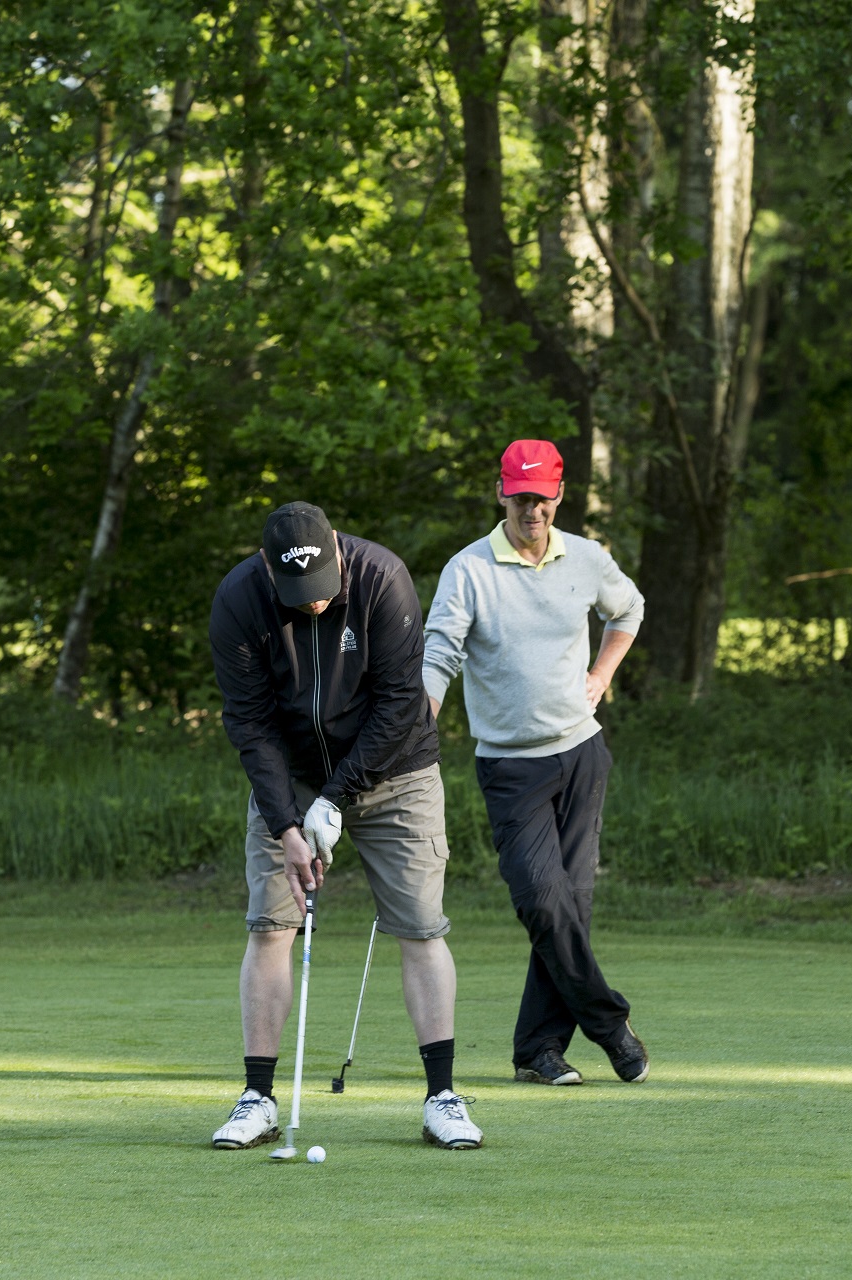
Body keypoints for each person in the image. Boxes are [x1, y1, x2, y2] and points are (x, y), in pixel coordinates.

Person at [206, 501, 481, 1151]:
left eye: (323, 590)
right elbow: (251, 725)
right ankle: (257, 1098)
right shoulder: (240, 600)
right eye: (298, 596)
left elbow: (401, 705)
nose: (315, 607)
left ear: (335, 547)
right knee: (271, 926)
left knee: (419, 926)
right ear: (271, 573)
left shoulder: (382, 578)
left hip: (395, 770)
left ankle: (442, 1095)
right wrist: (288, 825)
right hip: (291, 776)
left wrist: (336, 798)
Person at [422, 440, 649, 1088]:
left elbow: (627, 608)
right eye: (522, 499)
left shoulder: (585, 558)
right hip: (512, 767)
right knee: (545, 904)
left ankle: (538, 1052)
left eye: (543, 500)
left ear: (559, 495)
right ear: (502, 495)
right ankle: (610, 1026)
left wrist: (602, 673)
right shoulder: (468, 571)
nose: (533, 512)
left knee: (570, 907)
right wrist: (417, 727)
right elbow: (439, 655)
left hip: (581, 753)